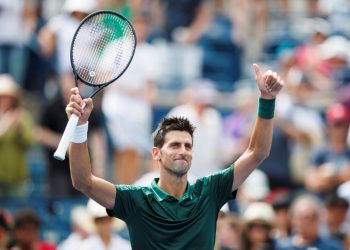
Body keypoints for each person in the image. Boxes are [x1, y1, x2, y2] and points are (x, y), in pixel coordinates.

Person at [65, 63, 283, 249]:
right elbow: (83, 181)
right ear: (156, 154)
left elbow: (257, 152)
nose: (183, 151)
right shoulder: (136, 200)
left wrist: (266, 100)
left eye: (188, 146)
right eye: (175, 145)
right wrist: (80, 125)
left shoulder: (209, 192)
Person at [0, 74, 35, 198]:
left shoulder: (22, 116)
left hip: (17, 177)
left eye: (7, 97)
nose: (4, 100)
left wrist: (19, 129)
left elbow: (30, 142)